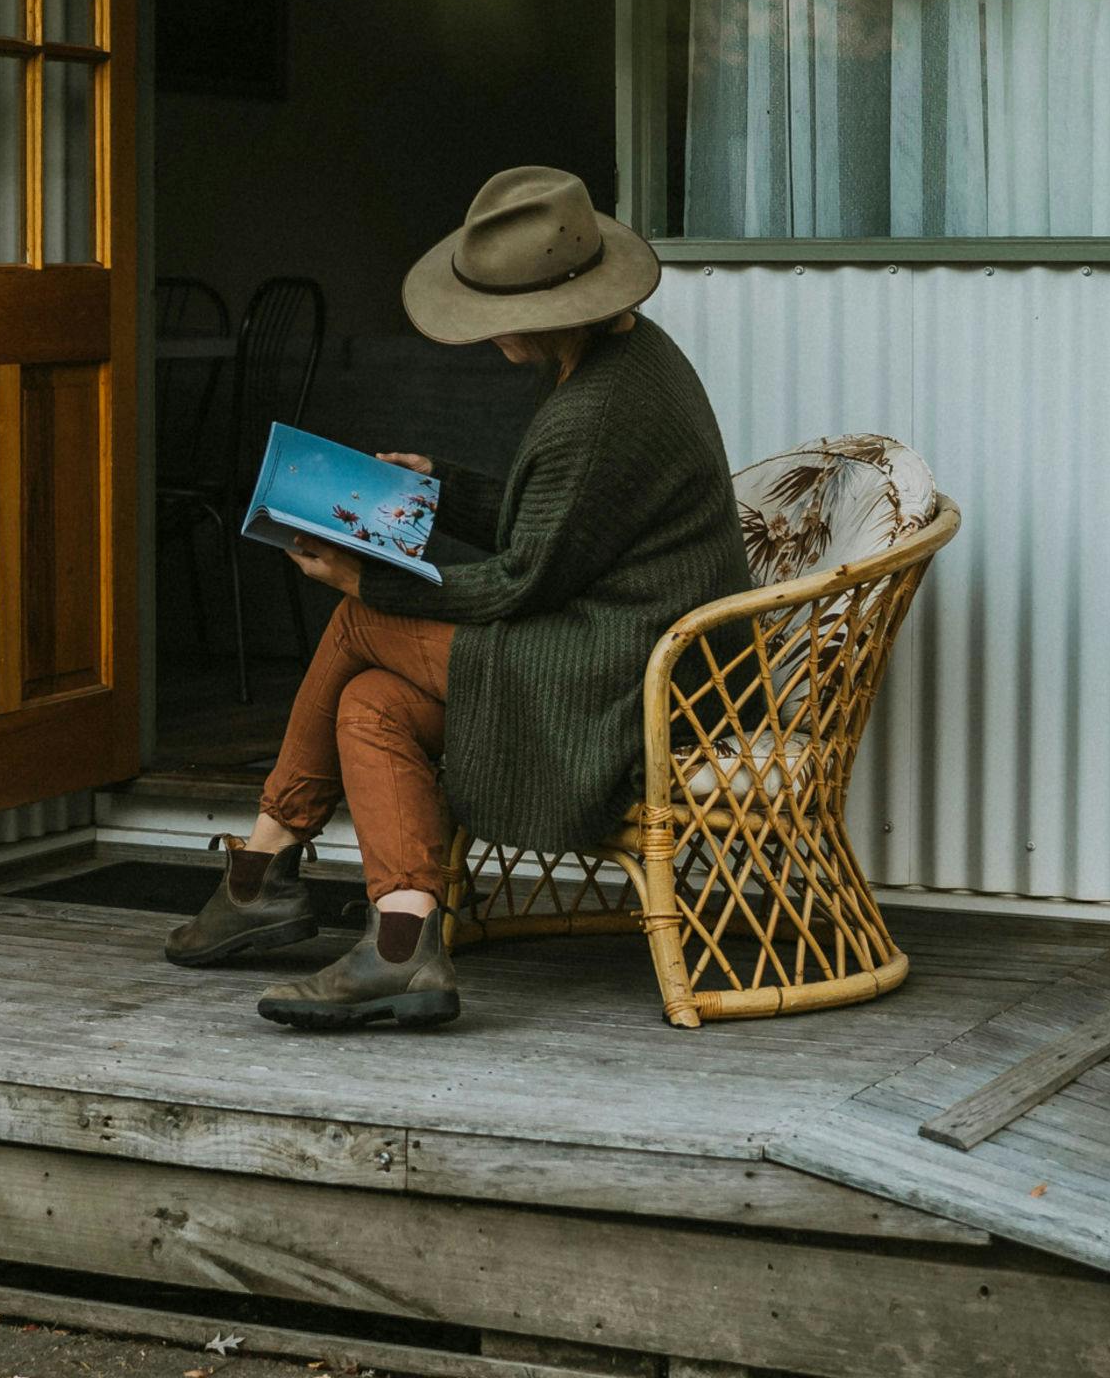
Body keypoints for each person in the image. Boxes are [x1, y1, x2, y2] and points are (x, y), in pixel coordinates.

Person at [166, 166, 755, 1029]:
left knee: (363, 617)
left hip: (622, 673)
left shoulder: (594, 412)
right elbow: (558, 529)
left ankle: (262, 866)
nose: (484, 336)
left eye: (494, 317)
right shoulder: (630, 356)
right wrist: (437, 489)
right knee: (371, 703)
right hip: (603, 637)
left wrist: (367, 576)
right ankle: (401, 946)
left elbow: (520, 580)